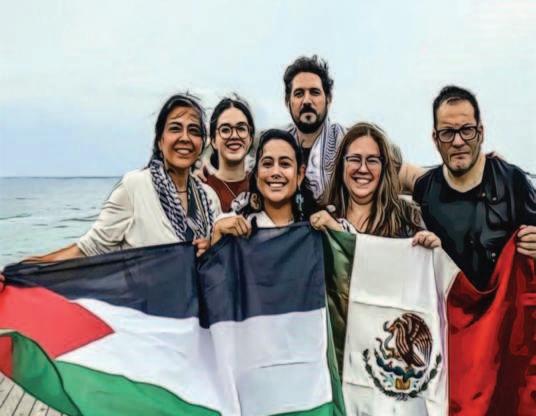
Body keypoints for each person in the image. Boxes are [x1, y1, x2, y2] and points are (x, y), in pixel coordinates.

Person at [19, 93, 221, 262]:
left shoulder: (208, 198)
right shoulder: (135, 186)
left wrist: (210, 247)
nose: (185, 138)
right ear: (160, 141)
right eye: (175, 128)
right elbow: (88, 249)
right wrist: (21, 270)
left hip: (194, 299)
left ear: (201, 143)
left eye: (193, 131)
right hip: (146, 298)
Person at [400, 85, 536, 289]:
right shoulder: (425, 189)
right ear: (435, 139)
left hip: (505, 306)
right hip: (450, 306)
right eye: (447, 132)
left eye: (467, 130)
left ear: (480, 133)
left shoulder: (513, 182)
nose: (458, 141)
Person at [310, 121, 440, 249]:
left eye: (372, 160)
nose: (363, 169)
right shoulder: (322, 219)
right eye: (355, 159)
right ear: (341, 165)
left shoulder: (409, 217)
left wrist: (432, 248)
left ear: (384, 168)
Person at [211, 129, 311, 243]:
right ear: (256, 174)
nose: (275, 172)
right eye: (267, 164)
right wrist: (217, 235)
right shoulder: (231, 227)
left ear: (300, 174)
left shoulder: (314, 228)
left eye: (285, 164)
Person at [283, 55, 345, 202]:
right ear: (287, 102)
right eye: (299, 94)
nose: (306, 101)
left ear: (328, 99)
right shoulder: (275, 145)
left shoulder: (348, 143)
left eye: (314, 92)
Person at [204, 96, 255, 212]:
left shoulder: (262, 184)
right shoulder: (201, 188)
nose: (234, 136)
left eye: (241, 128)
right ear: (213, 141)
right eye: (225, 130)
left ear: (250, 139)